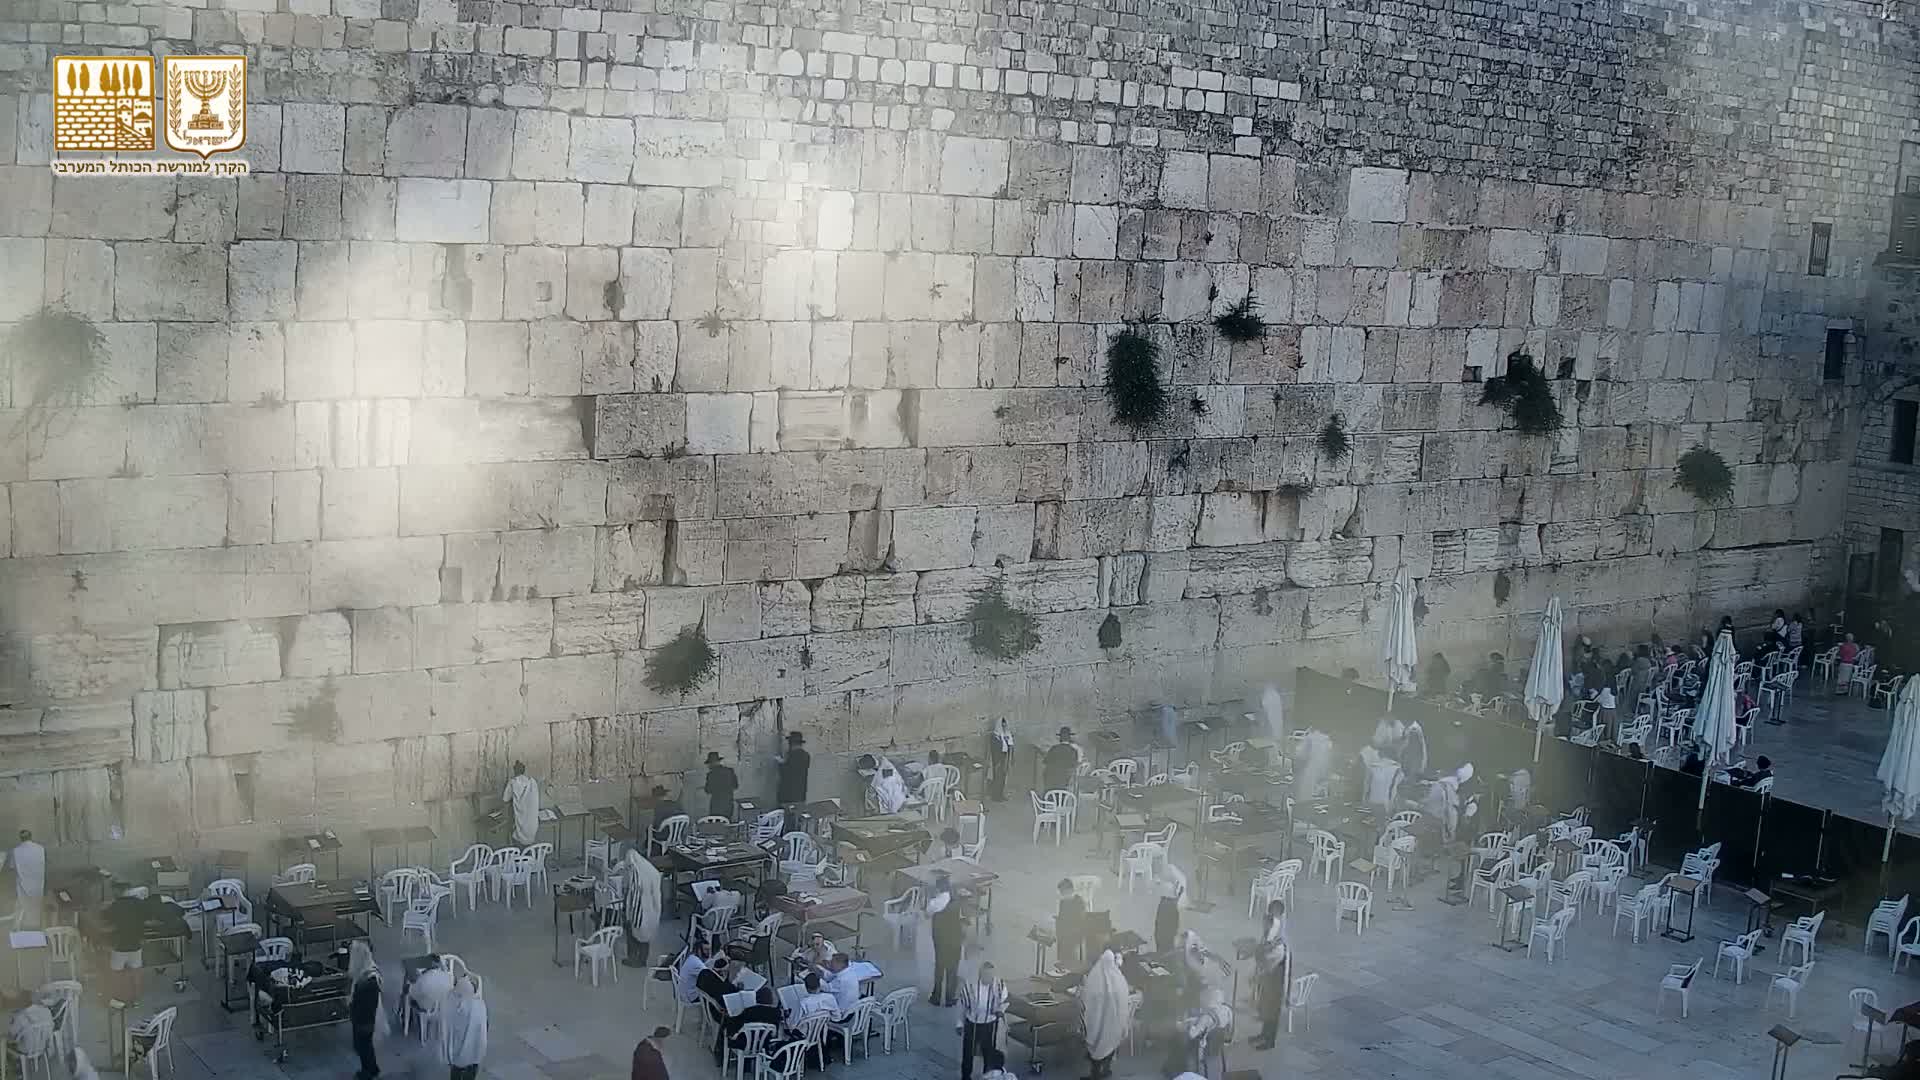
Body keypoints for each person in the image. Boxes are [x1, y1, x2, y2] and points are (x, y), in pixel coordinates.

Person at [1079, 947, 1129, 1080]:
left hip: (1099, 1022)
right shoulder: (1119, 980)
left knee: (1097, 1044)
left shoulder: (1096, 978)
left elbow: (1088, 997)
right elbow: (1125, 998)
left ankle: (1095, 1074)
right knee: (1109, 1045)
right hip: (1114, 1023)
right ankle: (1106, 1070)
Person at [956, 960, 1008, 1080]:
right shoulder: (970, 986)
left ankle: (988, 1076)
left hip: (990, 1023)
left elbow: (1004, 1002)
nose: (989, 978)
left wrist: (1001, 1010)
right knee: (968, 1053)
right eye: (986, 975)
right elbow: (962, 1005)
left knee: (989, 1052)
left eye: (991, 975)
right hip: (972, 1023)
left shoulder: (999, 985)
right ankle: (966, 1076)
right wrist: (959, 1024)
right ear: (980, 974)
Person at [1251, 900, 1291, 1050]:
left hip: (1276, 974)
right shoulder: (1270, 929)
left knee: (1272, 1007)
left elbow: (1270, 955)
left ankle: (1270, 1040)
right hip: (1269, 973)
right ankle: (1263, 1033)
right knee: (1265, 1005)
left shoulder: (1278, 933)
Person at [104, 885, 151, 1005]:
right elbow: (147, 917)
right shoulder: (138, 903)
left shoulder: (116, 905)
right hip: (136, 943)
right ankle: (137, 999)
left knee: (116, 973)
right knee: (136, 972)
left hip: (120, 945)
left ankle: (117, 998)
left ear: (117, 892)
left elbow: (107, 919)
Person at [1173, 985, 1232, 1076]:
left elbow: (1192, 1034)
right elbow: (1228, 1026)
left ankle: (1191, 1071)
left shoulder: (1205, 1018)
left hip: (1206, 1048)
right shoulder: (1227, 1009)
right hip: (1219, 1042)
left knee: (1187, 1044)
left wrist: (1188, 1025)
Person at [927, 871, 964, 1006]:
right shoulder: (956, 900)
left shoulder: (934, 903)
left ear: (938, 888)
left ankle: (936, 996)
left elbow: (927, 912)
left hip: (940, 940)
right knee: (952, 969)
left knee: (939, 968)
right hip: (955, 939)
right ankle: (950, 998)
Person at [348, 940, 383, 1080]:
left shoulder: (369, 980)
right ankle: (372, 1068)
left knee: (364, 1047)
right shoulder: (366, 974)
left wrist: (354, 1010)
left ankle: (367, 1072)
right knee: (365, 1046)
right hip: (363, 1019)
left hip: (364, 1019)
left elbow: (366, 1004)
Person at [621, 846, 662, 967]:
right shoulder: (650, 869)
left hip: (639, 909)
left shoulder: (636, 873)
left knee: (632, 931)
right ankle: (643, 959)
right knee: (646, 935)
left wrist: (627, 912)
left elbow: (632, 894)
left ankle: (633, 959)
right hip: (652, 909)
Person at [443, 975, 488, 1080]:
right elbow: (484, 1026)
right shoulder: (480, 1006)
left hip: (457, 1054)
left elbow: (448, 1031)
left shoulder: (453, 1007)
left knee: (456, 1074)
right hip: (475, 1051)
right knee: (470, 1073)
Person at [9, 829, 45, 930]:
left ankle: (18, 928)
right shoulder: (40, 848)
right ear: (31, 837)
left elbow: (12, 866)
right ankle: (38, 927)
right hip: (38, 883)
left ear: (21, 839)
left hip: (23, 885)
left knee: (21, 905)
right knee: (37, 906)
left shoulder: (16, 850)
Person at [1152, 854, 1187, 955]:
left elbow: (1181, 886)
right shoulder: (1164, 874)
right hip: (1167, 903)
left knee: (1166, 934)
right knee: (1161, 933)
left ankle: (1165, 954)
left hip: (1170, 904)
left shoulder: (1172, 871)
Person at [501, 761, 541, 847]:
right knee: (528, 848)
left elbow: (505, 799)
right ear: (524, 770)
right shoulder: (532, 782)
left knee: (516, 842)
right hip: (532, 823)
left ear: (515, 770)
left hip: (520, 821)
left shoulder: (513, 782)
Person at [409, 956, 454, 1031]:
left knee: (412, 999)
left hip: (427, 1007)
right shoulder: (447, 976)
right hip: (443, 1007)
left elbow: (413, 993)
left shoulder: (424, 978)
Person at [1054, 878, 1086, 968]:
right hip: (1066, 929)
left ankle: (1069, 961)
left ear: (1070, 891)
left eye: (1063, 893)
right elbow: (1061, 917)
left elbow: (1081, 921)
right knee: (1060, 933)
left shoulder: (1079, 902)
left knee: (1066, 937)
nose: (1062, 895)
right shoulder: (1063, 902)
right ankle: (1062, 960)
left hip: (1076, 931)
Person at [776, 731, 811, 808]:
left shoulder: (791, 755)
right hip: (800, 794)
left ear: (791, 743)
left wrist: (781, 763)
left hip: (787, 796)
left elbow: (786, 773)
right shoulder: (806, 755)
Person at [1041, 727, 1079, 793]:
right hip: (1065, 783)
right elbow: (1074, 766)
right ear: (1069, 738)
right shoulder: (1073, 751)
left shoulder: (1053, 748)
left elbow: (1045, 762)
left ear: (1060, 738)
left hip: (1050, 783)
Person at [703, 752, 738, 820]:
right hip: (728, 804)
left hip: (716, 806)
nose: (708, 766)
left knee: (716, 826)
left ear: (711, 763)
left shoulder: (711, 775)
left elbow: (707, 790)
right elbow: (735, 786)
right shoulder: (730, 771)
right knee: (727, 824)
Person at [987, 718, 1014, 802]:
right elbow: (995, 749)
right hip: (997, 759)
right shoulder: (995, 737)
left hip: (1004, 758)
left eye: (1005, 725)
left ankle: (1001, 794)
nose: (1004, 726)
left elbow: (1010, 746)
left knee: (1003, 778)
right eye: (1002, 725)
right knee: (997, 778)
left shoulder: (1006, 735)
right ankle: (995, 796)